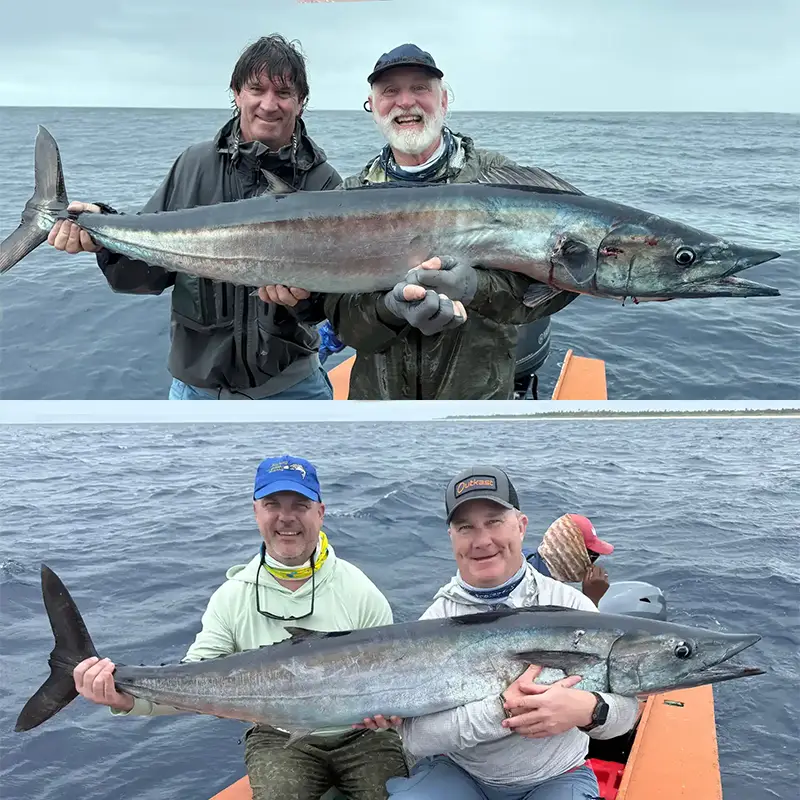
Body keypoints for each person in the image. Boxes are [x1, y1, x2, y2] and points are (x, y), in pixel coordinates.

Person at [71, 455, 408, 800]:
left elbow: (392, 682)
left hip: (362, 736)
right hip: (276, 734)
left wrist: (392, 714)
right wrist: (124, 698)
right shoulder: (231, 598)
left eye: (300, 505)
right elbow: (192, 685)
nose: (286, 517)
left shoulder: (361, 591)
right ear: (256, 512)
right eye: (273, 504)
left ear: (320, 512)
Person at [46, 35, 341, 401]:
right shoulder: (194, 165)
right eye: (256, 89)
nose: (269, 104)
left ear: (301, 102)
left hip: (293, 385)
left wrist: (298, 301)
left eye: (283, 93)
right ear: (236, 93)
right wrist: (102, 233)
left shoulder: (324, 182)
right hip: (196, 389)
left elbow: (330, 301)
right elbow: (144, 275)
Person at [358, 466, 640, 799]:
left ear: (521, 526)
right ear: (451, 537)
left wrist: (589, 710)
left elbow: (628, 710)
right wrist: (501, 710)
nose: (481, 540)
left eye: (494, 521)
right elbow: (418, 738)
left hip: (557, 776)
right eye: (465, 527)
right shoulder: (436, 621)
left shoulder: (570, 604)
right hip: (461, 774)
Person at [320, 44, 581, 400]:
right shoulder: (348, 195)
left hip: (477, 405)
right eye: (390, 92)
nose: (405, 102)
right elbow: (343, 322)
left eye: (420, 88)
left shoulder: (501, 178)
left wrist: (475, 287)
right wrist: (389, 310)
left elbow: (556, 289)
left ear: (443, 101)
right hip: (378, 407)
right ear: (373, 107)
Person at [526, 513, 613, 606]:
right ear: (569, 552)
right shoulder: (536, 590)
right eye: (592, 556)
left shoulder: (528, 556)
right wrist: (591, 599)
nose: (591, 565)